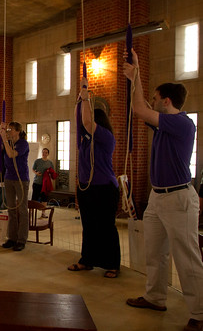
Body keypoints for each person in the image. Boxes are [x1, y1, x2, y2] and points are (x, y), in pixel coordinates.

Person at [124, 49, 203, 331]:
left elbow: (139, 108)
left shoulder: (182, 123)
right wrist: (136, 81)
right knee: (155, 252)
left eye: (157, 98)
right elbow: (142, 104)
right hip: (158, 197)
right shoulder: (163, 127)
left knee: (186, 256)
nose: (153, 102)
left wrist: (137, 75)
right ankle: (156, 297)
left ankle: (200, 313)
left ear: (167, 101)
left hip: (179, 196)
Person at [67, 76, 121, 279]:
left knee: (106, 227)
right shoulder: (86, 141)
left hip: (104, 188)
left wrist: (86, 95)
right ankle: (87, 260)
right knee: (88, 225)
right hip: (86, 188)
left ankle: (112, 264)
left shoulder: (106, 137)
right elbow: (80, 120)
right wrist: (79, 101)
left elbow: (87, 121)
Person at [0, 121, 29, 251]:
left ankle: (21, 239)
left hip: (21, 179)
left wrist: (4, 137)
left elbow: (11, 154)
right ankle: (12, 238)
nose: (8, 132)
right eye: (7, 130)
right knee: (11, 209)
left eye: (10, 130)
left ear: (18, 131)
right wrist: (0, 133)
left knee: (22, 210)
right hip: (9, 178)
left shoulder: (23, 144)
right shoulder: (7, 142)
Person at [31, 148, 54, 218]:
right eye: (43, 152)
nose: (44, 154)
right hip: (37, 182)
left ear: (48, 154)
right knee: (34, 198)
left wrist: (49, 174)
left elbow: (52, 172)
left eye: (46, 152)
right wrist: (36, 173)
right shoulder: (37, 161)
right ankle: (32, 213)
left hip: (45, 184)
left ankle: (43, 213)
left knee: (44, 199)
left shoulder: (50, 163)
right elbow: (33, 169)